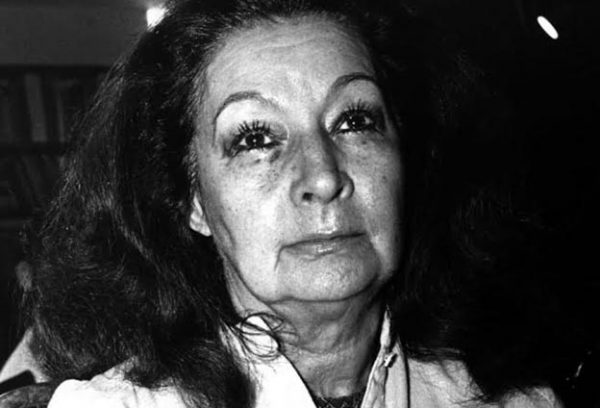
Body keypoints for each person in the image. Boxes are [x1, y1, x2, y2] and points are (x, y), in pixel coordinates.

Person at [1, 0, 568, 407]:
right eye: (255, 138)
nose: (322, 176)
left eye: (355, 120)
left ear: (408, 161)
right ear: (192, 201)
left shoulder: (514, 400)